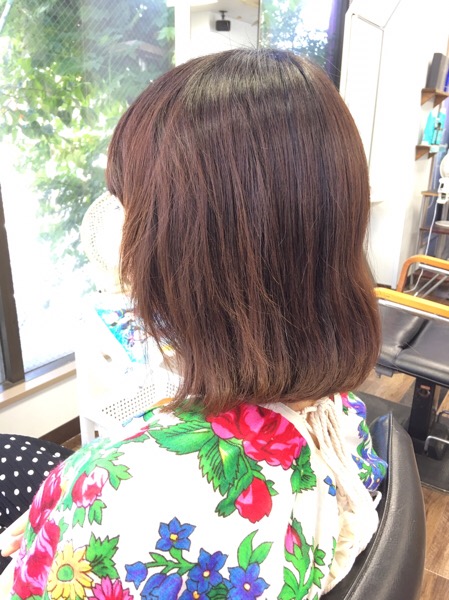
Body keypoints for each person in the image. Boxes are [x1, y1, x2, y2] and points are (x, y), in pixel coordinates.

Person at [2, 48, 387, 600]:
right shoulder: (338, 406)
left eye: (129, 205)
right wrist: (63, 505)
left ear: (186, 248)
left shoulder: (131, 496)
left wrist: (73, 513)